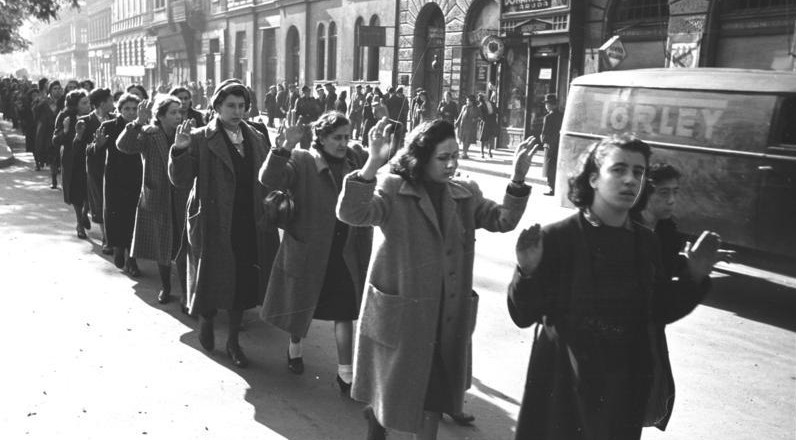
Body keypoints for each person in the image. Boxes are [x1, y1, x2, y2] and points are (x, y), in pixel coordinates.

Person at [507, 135, 722, 440]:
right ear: (593, 178)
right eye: (618, 170)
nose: (630, 180)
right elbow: (523, 315)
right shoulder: (557, 238)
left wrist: (693, 277)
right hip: (564, 389)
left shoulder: (645, 241)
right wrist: (526, 272)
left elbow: (657, 310)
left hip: (621, 390)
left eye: (638, 172)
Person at [337, 119, 539, 440]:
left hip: (445, 318)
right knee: (392, 385)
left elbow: (503, 219)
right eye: (443, 158)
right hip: (403, 314)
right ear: (421, 157)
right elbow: (353, 214)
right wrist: (372, 163)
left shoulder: (464, 194)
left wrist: (517, 178)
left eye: (455, 156)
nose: (452, 164)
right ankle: (376, 420)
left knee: (430, 398)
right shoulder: (393, 189)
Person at [169, 80, 279, 368]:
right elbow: (180, 180)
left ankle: (232, 340)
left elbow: (267, 176)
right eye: (231, 105)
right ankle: (205, 318)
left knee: (242, 280)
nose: (237, 111)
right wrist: (179, 151)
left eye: (241, 106)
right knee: (211, 276)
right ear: (217, 107)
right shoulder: (199, 138)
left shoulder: (255, 136)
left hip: (247, 217)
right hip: (213, 218)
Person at [259, 111, 372, 390]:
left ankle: (345, 373)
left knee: (345, 310)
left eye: (346, 137)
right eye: (336, 138)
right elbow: (270, 179)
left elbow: (378, 166)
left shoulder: (354, 159)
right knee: (301, 304)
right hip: (310, 248)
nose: (343, 143)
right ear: (321, 138)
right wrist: (284, 146)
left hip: (345, 249)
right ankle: (294, 348)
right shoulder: (302, 160)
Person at [117, 95, 189, 306]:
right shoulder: (150, 134)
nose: (178, 116)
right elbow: (124, 146)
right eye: (173, 113)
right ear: (160, 115)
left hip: (182, 197)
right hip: (157, 197)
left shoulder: (185, 134)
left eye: (180, 112)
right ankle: (166, 287)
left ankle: (185, 292)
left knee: (184, 245)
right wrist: (138, 123)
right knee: (162, 245)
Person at [631, 163, 734, 278]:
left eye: (674, 192)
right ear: (644, 195)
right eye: (664, 193)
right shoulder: (628, 229)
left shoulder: (667, 228)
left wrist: (702, 259)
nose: (672, 200)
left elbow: (667, 266)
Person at [101, 93, 144, 276]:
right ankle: (118, 248)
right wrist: (98, 145)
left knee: (133, 217)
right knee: (117, 216)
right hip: (114, 178)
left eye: (135, 109)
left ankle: (132, 259)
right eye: (127, 108)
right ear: (119, 110)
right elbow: (93, 151)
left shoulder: (143, 127)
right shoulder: (109, 126)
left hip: (136, 176)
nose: (131, 112)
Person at [78, 87, 115, 254]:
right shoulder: (85, 121)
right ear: (102, 103)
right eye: (110, 100)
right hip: (95, 168)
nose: (113, 103)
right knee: (99, 202)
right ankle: (107, 238)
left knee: (112, 202)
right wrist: (96, 146)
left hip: (114, 167)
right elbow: (80, 148)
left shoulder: (115, 119)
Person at [53, 88, 92, 238]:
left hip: (89, 156)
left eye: (88, 102)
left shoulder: (92, 116)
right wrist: (65, 130)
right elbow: (55, 140)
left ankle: (84, 213)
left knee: (90, 191)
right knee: (76, 192)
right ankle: (79, 223)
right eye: (84, 103)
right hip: (72, 158)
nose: (88, 105)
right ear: (75, 105)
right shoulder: (64, 116)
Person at [34, 80, 63, 187]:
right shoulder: (44, 103)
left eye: (58, 88)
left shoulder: (63, 103)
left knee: (61, 156)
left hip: (61, 132)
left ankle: (62, 177)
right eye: (54, 88)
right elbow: (36, 114)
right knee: (52, 157)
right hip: (48, 134)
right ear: (50, 90)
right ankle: (54, 179)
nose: (57, 91)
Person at [540, 93, 563, 196]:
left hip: (550, 145)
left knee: (550, 167)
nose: (546, 106)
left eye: (547, 104)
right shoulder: (562, 115)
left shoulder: (548, 117)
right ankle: (558, 187)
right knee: (558, 166)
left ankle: (551, 187)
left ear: (550, 105)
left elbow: (545, 132)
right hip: (560, 144)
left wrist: (544, 141)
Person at [454, 95, 480, 160]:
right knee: (463, 139)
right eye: (467, 100)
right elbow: (460, 115)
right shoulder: (464, 107)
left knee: (468, 140)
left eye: (468, 100)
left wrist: (475, 119)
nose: (467, 102)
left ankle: (464, 152)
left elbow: (480, 117)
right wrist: (456, 123)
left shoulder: (476, 108)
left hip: (471, 126)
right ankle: (464, 152)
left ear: (472, 101)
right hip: (463, 125)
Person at [477, 93, 498, 158]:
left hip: (492, 121)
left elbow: (496, 110)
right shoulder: (481, 105)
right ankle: (482, 152)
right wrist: (484, 120)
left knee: (491, 136)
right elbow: (480, 114)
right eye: (484, 96)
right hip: (485, 122)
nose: (486, 96)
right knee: (483, 137)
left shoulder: (492, 103)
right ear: (482, 98)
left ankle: (489, 151)